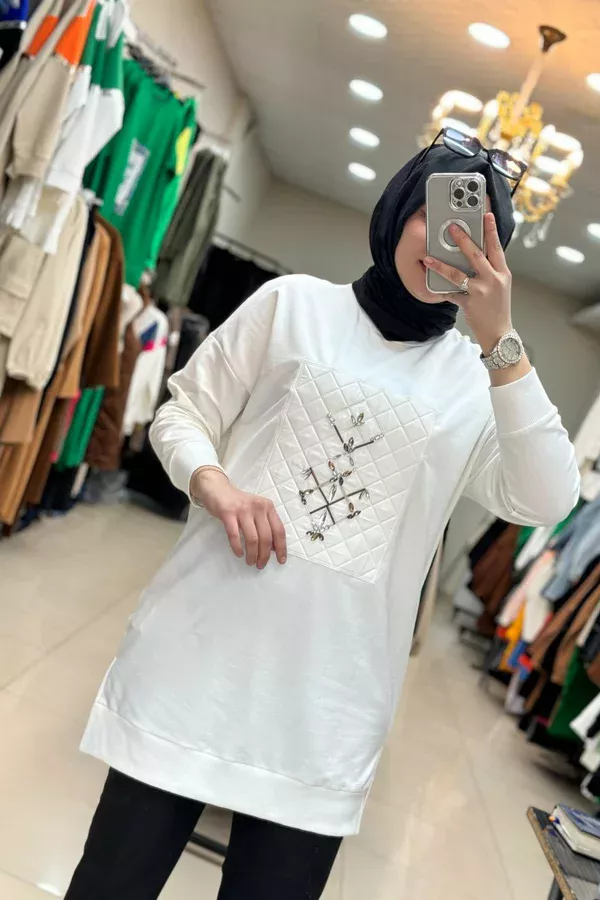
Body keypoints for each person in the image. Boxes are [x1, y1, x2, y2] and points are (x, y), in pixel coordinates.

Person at [65, 140, 580, 899]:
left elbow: (548, 499)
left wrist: (500, 339)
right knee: (111, 885)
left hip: (327, 712)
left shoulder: (476, 384)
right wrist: (216, 486)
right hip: (195, 665)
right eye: (433, 217)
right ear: (398, 213)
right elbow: (183, 414)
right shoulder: (292, 305)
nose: (449, 242)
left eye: (476, 234)